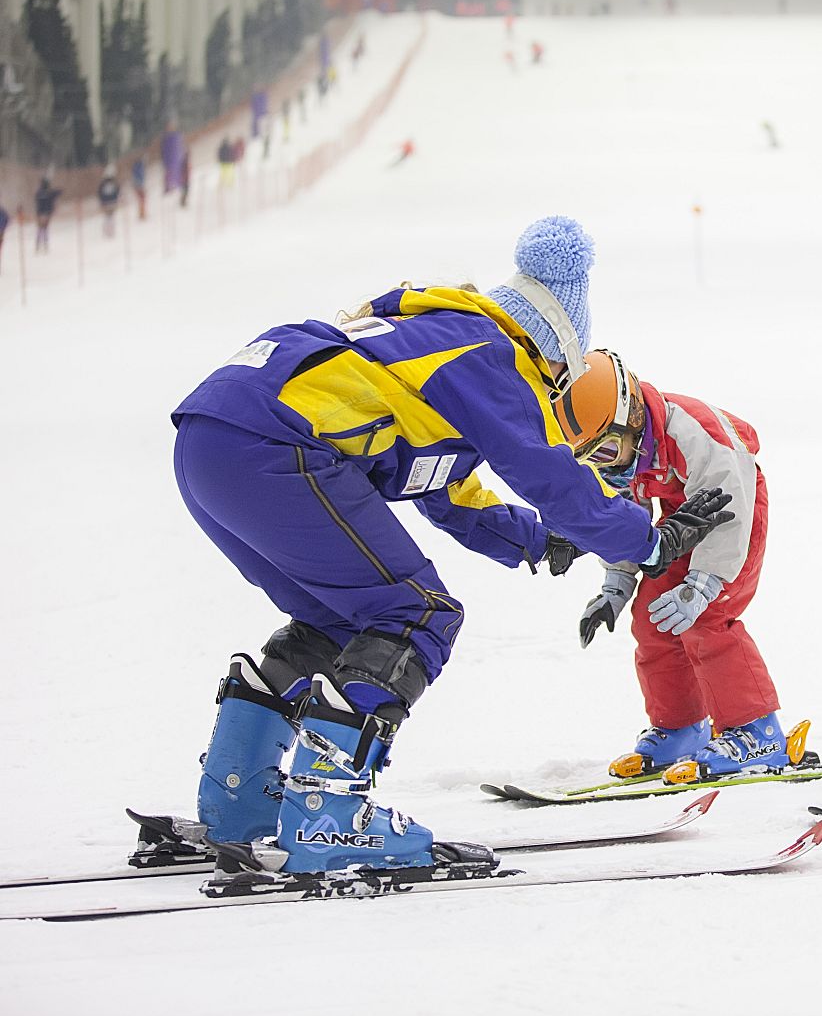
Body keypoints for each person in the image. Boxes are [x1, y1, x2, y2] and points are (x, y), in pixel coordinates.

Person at [171, 216, 734, 877]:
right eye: (557, 382)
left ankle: (238, 801)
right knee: (417, 614)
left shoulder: (439, 336)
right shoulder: (493, 351)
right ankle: (328, 816)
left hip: (211, 439)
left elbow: (445, 488)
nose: (549, 399)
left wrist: (537, 540)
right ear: (554, 346)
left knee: (338, 618)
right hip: (274, 445)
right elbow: (551, 475)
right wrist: (650, 541)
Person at [557, 350, 787, 784]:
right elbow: (624, 520)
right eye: (593, 459)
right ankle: (681, 727)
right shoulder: (622, 457)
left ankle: (758, 731)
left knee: (708, 618)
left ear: (633, 416)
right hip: (678, 516)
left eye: (607, 449)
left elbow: (730, 502)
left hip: (734, 512)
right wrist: (617, 583)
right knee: (652, 618)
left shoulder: (695, 433)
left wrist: (703, 585)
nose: (607, 464)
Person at [33, 176, 61, 252]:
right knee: (44, 229)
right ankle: (43, 244)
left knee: (40, 229)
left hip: (40, 213)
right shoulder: (48, 192)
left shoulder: (39, 192)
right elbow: (57, 193)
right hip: (45, 213)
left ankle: (39, 244)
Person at [96, 166, 120, 237]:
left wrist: (101, 201)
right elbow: (117, 191)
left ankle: (107, 231)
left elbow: (99, 193)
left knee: (107, 217)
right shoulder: (114, 183)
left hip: (106, 202)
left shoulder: (103, 183)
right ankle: (110, 231)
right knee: (111, 217)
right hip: (112, 202)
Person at [131, 156, 148, 220]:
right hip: (139, 184)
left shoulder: (138, 167)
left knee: (142, 199)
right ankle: (142, 214)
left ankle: (142, 214)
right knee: (141, 199)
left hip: (139, 184)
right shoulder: (139, 167)